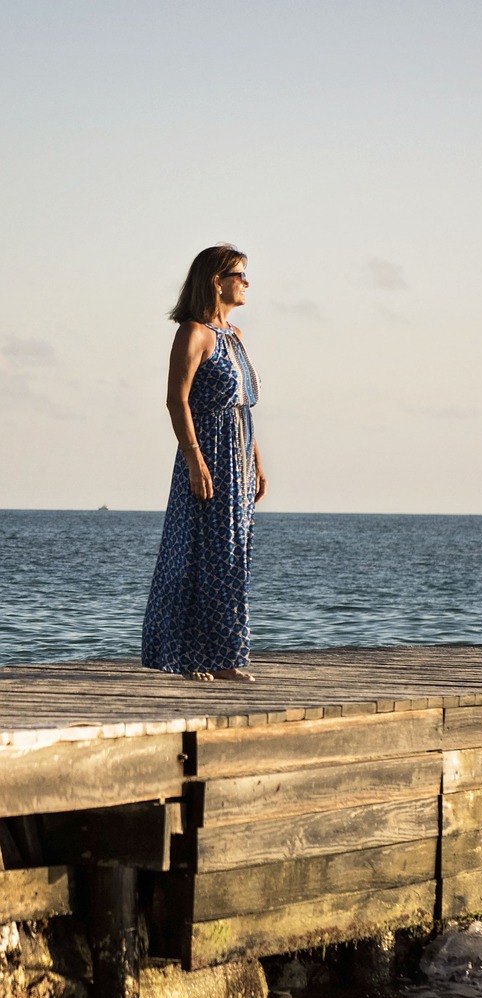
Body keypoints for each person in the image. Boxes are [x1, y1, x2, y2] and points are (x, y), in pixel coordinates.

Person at [142, 244, 267, 681]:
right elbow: (177, 401)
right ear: (217, 280)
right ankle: (188, 659)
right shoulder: (193, 333)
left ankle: (226, 657)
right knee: (196, 553)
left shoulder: (235, 336)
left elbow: (242, 407)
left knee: (231, 554)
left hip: (238, 458)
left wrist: (257, 462)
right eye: (240, 274)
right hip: (207, 456)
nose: (247, 282)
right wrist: (195, 459)